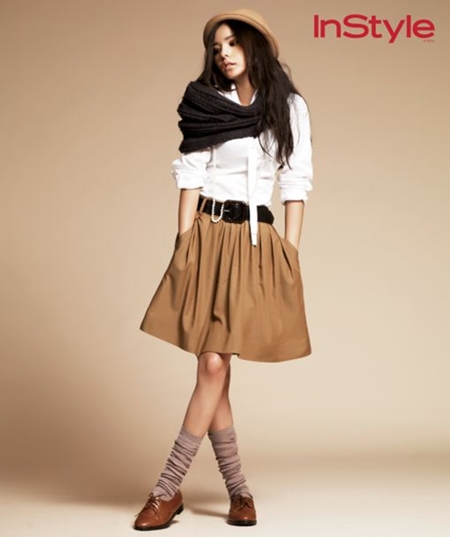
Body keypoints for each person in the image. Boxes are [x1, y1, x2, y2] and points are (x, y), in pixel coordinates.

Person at [134, 8, 313, 531]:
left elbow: (296, 181)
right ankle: (198, 490)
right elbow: (191, 172)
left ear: (255, 46)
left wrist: (289, 252)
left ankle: (192, 490)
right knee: (215, 367)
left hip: (256, 244)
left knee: (216, 366)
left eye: (233, 43)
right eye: (217, 47)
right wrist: (184, 243)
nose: (224, 54)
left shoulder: (289, 107)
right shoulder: (205, 101)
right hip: (208, 236)